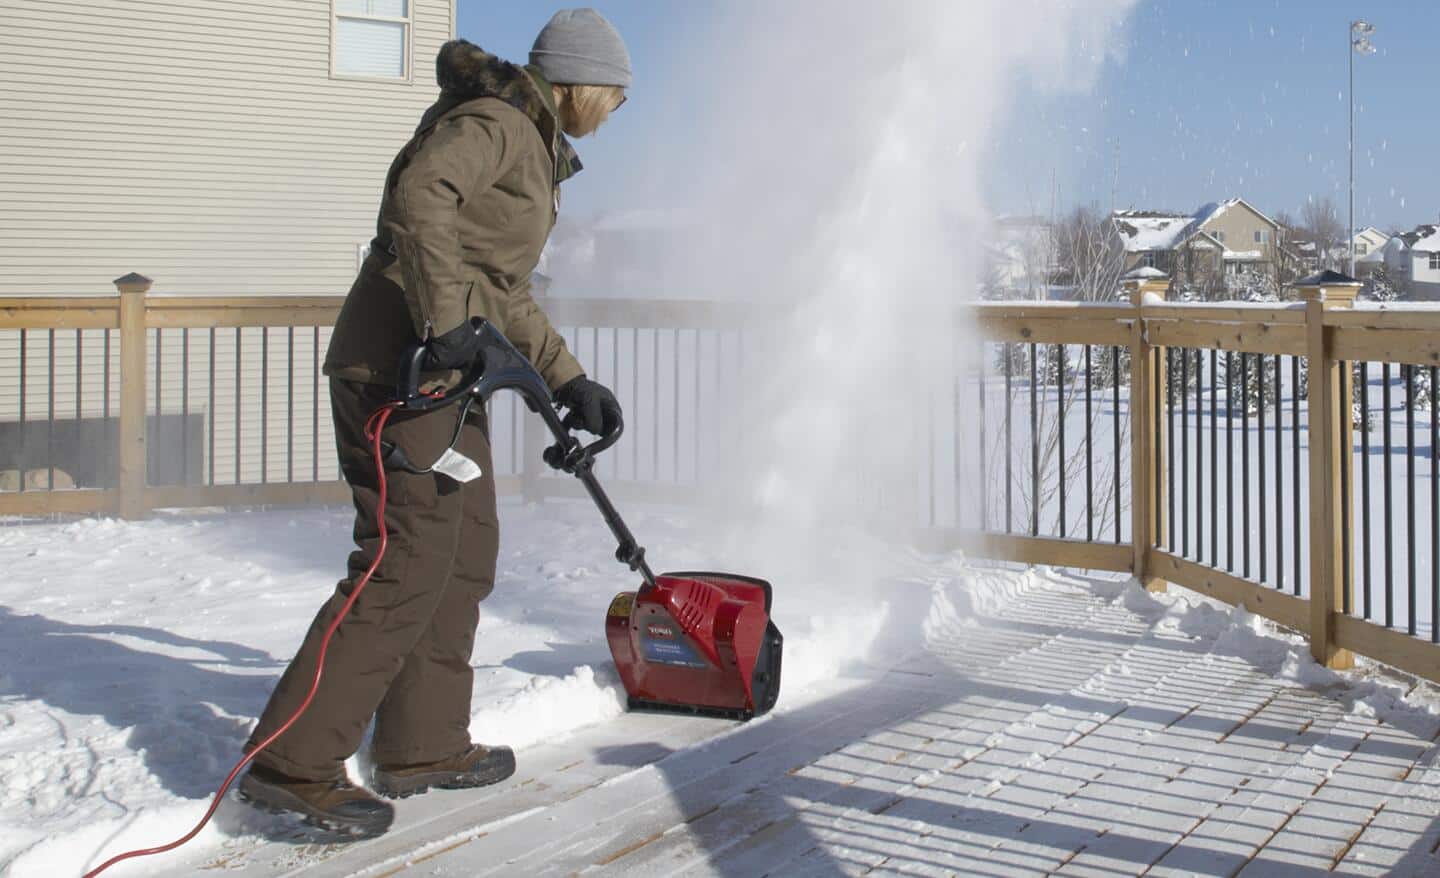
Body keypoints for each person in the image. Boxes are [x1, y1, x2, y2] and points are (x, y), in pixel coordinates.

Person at [237, 9, 630, 837]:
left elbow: (505, 287)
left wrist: (571, 380)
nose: (618, 109)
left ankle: (422, 744)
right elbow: (421, 198)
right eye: (615, 93)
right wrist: (447, 320)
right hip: (398, 370)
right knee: (404, 555)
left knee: (464, 551)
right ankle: (291, 761)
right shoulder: (497, 123)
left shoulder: (532, 143)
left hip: (447, 379)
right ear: (578, 82)